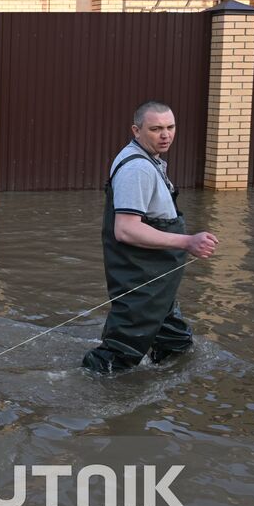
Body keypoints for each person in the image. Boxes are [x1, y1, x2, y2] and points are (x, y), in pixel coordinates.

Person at [82, 101, 219, 373]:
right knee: (118, 357)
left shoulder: (147, 160)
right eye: (156, 129)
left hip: (158, 278)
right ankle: (78, 392)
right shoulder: (137, 169)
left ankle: (170, 385)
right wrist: (188, 242)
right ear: (136, 130)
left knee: (176, 344)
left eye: (170, 127)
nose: (165, 134)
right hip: (142, 278)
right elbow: (126, 229)